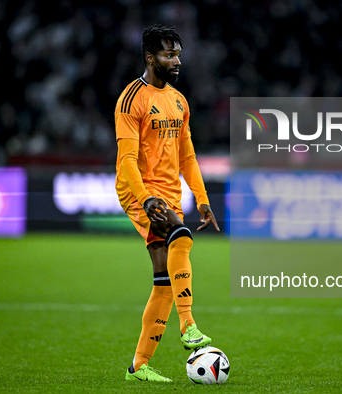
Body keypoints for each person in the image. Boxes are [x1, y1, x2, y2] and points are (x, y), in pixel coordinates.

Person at [114, 24, 220, 383]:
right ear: (149, 58)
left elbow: (187, 156)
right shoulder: (132, 99)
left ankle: (139, 367)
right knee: (181, 235)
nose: (176, 61)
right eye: (168, 54)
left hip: (169, 191)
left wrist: (202, 199)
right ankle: (189, 326)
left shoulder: (178, 100)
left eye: (177, 54)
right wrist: (143, 200)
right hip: (140, 191)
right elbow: (127, 159)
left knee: (163, 281)